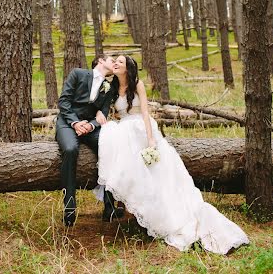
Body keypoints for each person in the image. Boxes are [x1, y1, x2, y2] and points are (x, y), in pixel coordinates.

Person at [94, 55, 249, 254]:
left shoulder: (137, 84)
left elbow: (145, 113)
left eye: (119, 62)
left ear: (128, 68)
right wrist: (100, 114)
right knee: (119, 148)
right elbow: (106, 108)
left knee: (157, 174)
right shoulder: (111, 87)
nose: (114, 64)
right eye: (113, 61)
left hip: (140, 128)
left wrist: (151, 139)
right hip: (123, 129)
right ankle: (136, 209)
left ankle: (166, 215)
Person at [56, 53, 123, 226]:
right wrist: (76, 123)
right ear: (101, 61)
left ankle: (109, 206)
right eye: (111, 60)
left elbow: (104, 112)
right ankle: (69, 207)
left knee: (109, 147)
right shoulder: (78, 73)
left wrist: (91, 125)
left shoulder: (109, 86)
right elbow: (64, 101)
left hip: (90, 128)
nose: (114, 64)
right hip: (67, 122)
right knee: (70, 149)